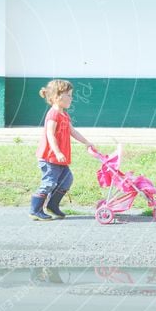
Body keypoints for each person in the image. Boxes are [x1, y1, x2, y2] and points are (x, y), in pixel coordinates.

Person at [29, 79, 94, 221]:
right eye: (69, 95)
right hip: (50, 157)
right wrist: (57, 152)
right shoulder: (53, 114)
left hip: (60, 158)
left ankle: (53, 205)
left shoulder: (64, 114)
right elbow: (50, 134)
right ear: (57, 97)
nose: (71, 98)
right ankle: (35, 210)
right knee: (49, 183)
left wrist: (86, 142)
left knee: (67, 180)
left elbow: (73, 131)